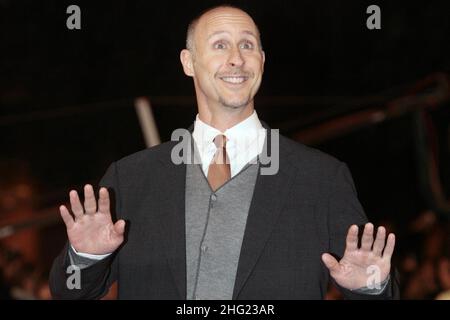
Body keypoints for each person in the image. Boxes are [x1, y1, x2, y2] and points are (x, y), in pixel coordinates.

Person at [49, 5, 399, 299]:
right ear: (188, 62)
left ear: (261, 61)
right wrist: (85, 258)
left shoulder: (321, 179)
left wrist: (372, 285)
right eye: (220, 45)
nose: (236, 59)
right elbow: (69, 293)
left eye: (247, 46)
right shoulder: (131, 178)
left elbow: (377, 286)